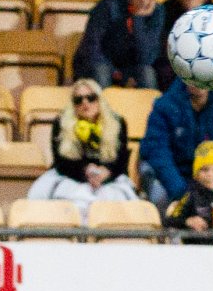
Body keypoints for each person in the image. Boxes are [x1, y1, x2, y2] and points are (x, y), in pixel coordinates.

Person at [26, 79, 141, 217]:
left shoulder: (117, 123)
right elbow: (61, 162)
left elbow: (121, 160)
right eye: (78, 100)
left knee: (114, 198)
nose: (85, 103)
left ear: (99, 100)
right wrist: (85, 170)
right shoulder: (61, 123)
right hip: (71, 176)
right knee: (74, 198)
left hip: (109, 178)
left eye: (91, 98)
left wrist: (107, 172)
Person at [138, 78, 213, 208]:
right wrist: (183, 195)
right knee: (164, 200)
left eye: (203, 74)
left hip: (209, 177)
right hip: (170, 178)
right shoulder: (164, 105)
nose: (198, 80)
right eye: (193, 74)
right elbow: (157, 152)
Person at [74, 0, 167, 88]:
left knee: (147, 73)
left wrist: (137, 18)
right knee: (101, 72)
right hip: (102, 63)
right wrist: (117, 75)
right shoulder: (108, 5)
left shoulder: (157, 11)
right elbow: (92, 46)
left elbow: (146, 57)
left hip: (131, 67)